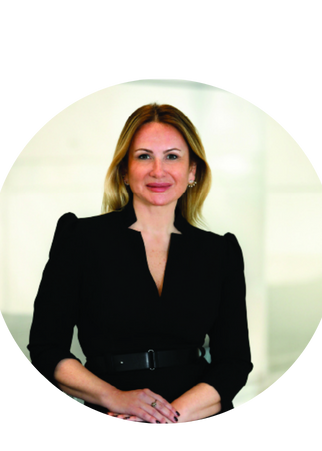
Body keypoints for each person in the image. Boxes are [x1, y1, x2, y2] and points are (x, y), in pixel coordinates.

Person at [28, 103, 253, 426]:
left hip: (193, 414)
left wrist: (169, 417)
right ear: (125, 170)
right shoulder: (80, 239)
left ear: (192, 171)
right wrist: (116, 398)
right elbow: (47, 349)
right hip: (110, 411)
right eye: (144, 156)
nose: (158, 171)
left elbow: (234, 362)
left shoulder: (220, 252)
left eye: (172, 157)